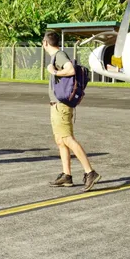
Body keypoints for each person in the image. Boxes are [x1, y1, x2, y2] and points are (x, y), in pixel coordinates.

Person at [42, 31, 101, 191]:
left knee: (67, 139)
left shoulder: (59, 56)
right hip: (56, 105)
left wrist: (54, 71)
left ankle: (90, 172)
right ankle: (66, 175)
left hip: (61, 106)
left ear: (45, 43)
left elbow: (70, 70)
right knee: (60, 141)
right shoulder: (56, 56)